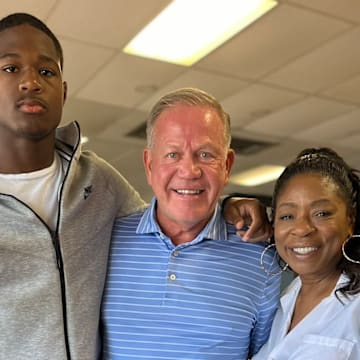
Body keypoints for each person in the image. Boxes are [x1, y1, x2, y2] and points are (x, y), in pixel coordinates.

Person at [0, 12, 271, 360]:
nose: (30, 82)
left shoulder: (95, 180)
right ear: (149, 162)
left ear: (64, 92)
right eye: (10, 68)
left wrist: (228, 205)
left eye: (46, 71)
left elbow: (168, 210)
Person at [102, 87, 281, 360]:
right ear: (149, 165)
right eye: (173, 154)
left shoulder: (261, 261)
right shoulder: (103, 242)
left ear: (227, 165)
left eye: (206, 155)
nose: (189, 171)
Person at [252, 148, 360, 359]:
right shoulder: (283, 301)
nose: (302, 229)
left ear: (350, 220)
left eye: (321, 214)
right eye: (287, 216)